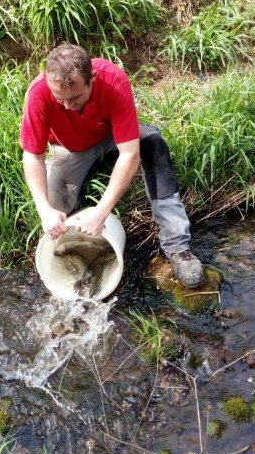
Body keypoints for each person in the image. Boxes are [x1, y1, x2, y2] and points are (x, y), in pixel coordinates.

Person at [19, 43, 205, 288]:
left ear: (92, 79)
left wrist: (102, 211)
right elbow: (32, 156)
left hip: (111, 136)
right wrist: (44, 210)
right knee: (56, 208)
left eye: (75, 97)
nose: (67, 106)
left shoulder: (113, 80)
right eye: (59, 99)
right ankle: (72, 257)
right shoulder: (38, 93)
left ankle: (178, 247)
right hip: (70, 148)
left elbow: (129, 154)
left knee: (153, 143)